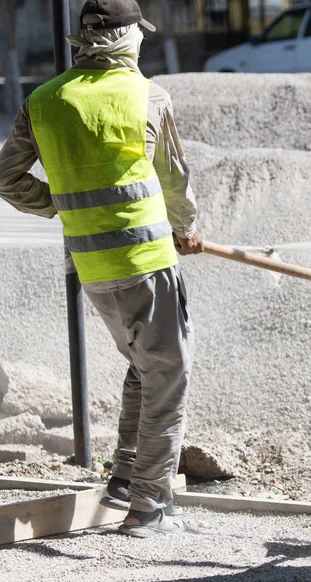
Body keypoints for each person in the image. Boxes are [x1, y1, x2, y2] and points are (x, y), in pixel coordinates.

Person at [0, 0, 203, 537]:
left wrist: (64, 206)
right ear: (128, 37)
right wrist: (185, 230)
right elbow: (175, 182)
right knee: (169, 376)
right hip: (146, 262)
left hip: (93, 267)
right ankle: (148, 505)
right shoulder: (148, 96)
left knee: (144, 366)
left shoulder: (43, 101)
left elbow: (6, 177)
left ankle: (124, 479)